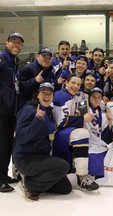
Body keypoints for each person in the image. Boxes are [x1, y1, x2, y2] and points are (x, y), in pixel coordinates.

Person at [13, 82, 72, 201]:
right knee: (63, 166)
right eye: (43, 92)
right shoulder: (29, 110)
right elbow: (21, 137)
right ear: (37, 95)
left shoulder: (47, 110)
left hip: (40, 158)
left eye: (50, 93)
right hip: (26, 159)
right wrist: (38, 120)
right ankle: (30, 185)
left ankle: (33, 179)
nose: (47, 95)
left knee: (65, 188)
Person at [52, 73, 99, 191]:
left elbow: (85, 113)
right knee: (81, 134)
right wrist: (82, 118)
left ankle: (80, 172)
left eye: (78, 84)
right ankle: (82, 176)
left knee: (88, 136)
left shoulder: (80, 97)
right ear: (66, 83)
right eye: (73, 83)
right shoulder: (59, 96)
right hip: (56, 133)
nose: (75, 86)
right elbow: (61, 122)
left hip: (69, 131)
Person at [0, 32, 24, 193]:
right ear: (6, 43)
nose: (16, 45)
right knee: (1, 145)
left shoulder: (13, 63)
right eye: (13, 42)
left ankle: (3, 174)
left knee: (7, 145)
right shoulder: (2, 61)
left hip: (10, 111)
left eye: (19, 43)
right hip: (2, 111)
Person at [85, 87, 113, 179]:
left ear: (101, 99)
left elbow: (106, 139)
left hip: (101, 146)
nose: (96, 99)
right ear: (89, 98)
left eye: (98, 97)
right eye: (93, 97)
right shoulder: (84, 110)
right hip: (88, 145)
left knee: (106, 173)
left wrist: (110, 123)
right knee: (95, 173)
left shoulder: (103, 115)